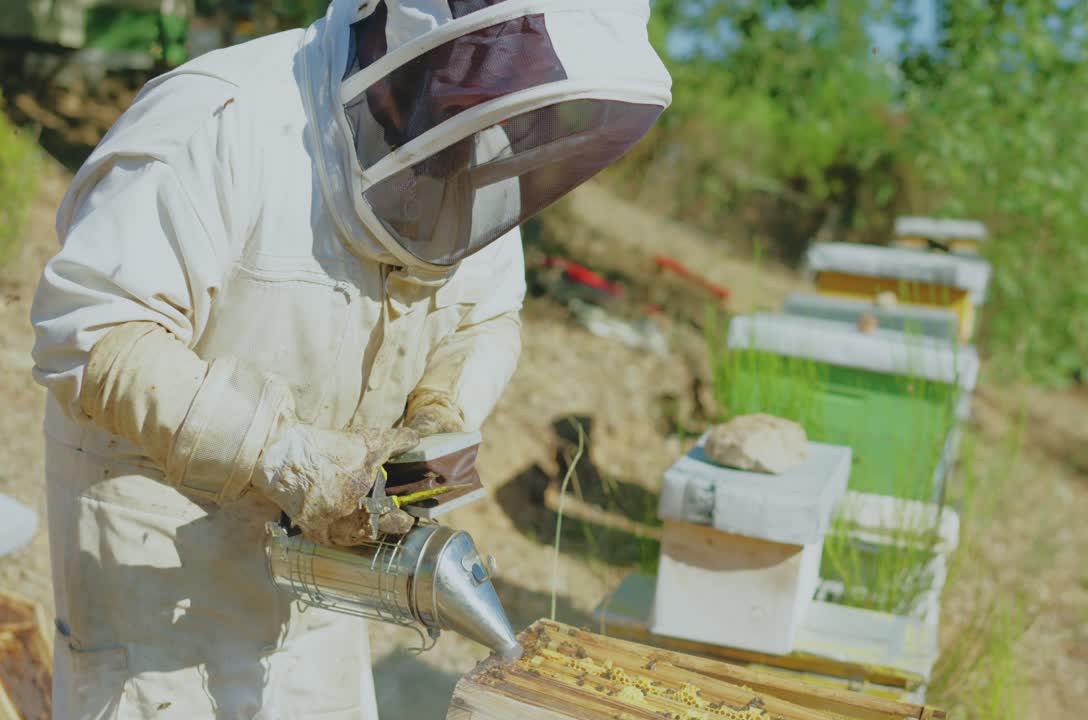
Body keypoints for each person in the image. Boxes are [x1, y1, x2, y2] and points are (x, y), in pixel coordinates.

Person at [28, 0, 671, 716]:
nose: (491, 99)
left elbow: (488, 316)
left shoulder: (474, 146)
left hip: (325, 615)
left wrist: (445, 407)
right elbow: (92, 332)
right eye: (484, 68)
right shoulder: (220, 118)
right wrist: (285, 455)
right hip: (160, 618)